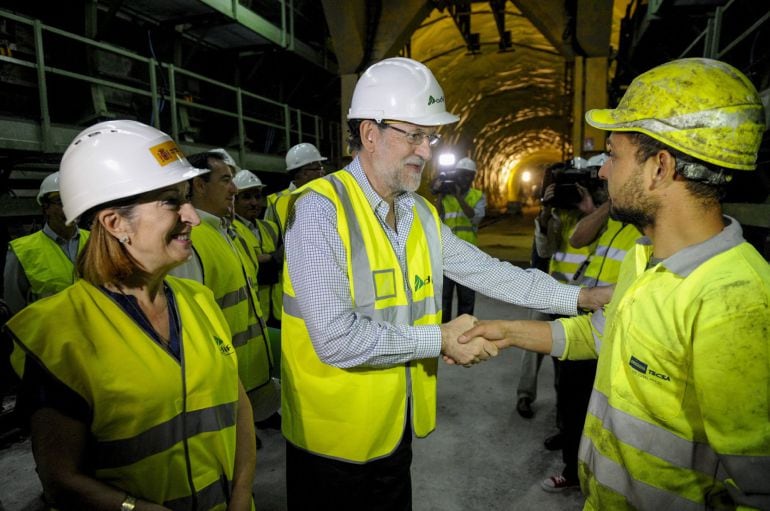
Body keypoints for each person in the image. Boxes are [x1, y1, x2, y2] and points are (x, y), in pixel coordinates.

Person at [281, 56, 611, 510]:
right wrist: (441, 339)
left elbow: (486, 271)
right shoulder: (320, 210)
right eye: (413, 134)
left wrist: (582, 297)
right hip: (332, 439)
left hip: (395, 426)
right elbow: (336, 340)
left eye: (430, 137)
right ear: (369, 134)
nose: (426, 150)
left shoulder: (418, 213)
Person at [461, 58, 770, 510]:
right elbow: (600, 333)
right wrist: (507, 332)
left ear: (660, 168)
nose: (603, 172)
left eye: (613, 155)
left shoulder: (737, 301)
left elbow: (760, 489)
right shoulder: (644, 258)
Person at [4, 120, 256, 510]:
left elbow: (237, 408)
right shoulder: (60, 335)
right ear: (115, 223)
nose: (190, 215)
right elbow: (60, 478)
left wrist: (241, 495)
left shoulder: (199, 300)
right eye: (172, 201)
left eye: (187, 197)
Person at [170, 151, 279, 436]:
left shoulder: (225, 232)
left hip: (248, 377)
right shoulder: (191, 241)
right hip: (222, 386)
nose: (234, 189)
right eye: (226, 180)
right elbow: (190, 329)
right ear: (199, 186)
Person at [516, 164, 598, 426]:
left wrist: (591, 211)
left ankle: (564, 416)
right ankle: (525, 395)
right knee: (531, 342)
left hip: (582, 296)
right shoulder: (561, 213)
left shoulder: (603, 218)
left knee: (566, 354)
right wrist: (545, 213)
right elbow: (544, 249)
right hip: (551, 290)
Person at [3, 171, 90, 315]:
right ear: (46, 208)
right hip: (50, 335)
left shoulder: (94, 241)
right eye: (61, 202)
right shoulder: (23, 250)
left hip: (93, 331)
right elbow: (16, 308)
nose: (70, 207)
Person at [434, 157, 486, 322]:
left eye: (467, 175)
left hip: (468, 256)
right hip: (446, 256)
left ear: (473, 177)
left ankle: (465, 332)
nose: (462, 179)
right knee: (444, 299)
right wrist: (440, 194)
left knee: (467, 300)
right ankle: (445, 334)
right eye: (460, 175)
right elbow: (435, 217)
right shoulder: (447, 196)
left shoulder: (478, 196)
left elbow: (475, 217)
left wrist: (458, 197)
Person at [233, 169, 283, 328]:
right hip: (252, 311)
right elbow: (249, 265)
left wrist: (267, 259)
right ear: (233, 200)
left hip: (277, 309)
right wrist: (273, 258)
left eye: (257, 196)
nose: (254, 203)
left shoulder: (272, 227)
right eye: (246, 197)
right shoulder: (230, 230)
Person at [264, 142, 327, 235]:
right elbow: (269, 239)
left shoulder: (325, 196)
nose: (323, 172)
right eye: (318, 168)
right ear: (304, 173)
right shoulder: (276, 202)